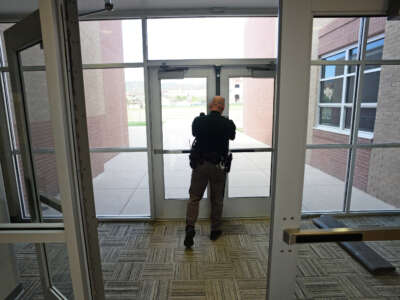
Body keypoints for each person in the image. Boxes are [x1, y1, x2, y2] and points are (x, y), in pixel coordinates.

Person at [184, 95, 236, 248]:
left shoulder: (199, 121)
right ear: (222, 107)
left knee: (194, 198)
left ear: (210, 105)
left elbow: (194, 133)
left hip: (200, 165)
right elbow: (232, 136)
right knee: (217, 200)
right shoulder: (227, 124)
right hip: (218, 167)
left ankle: (190, 228)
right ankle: (215, 230)